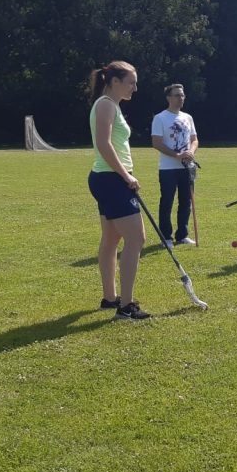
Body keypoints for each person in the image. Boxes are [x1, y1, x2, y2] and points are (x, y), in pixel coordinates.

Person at [87, 61, 151, 320]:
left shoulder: (111, 105)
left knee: (112, 240)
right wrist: (126, 176)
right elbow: (104, 145)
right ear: (114, 81)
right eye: (131, 82)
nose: (134, 88)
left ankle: (110, 298)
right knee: (137, 239)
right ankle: (126, 306)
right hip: (112, 179)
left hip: (109, 178)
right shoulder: (105, 105)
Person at [151, 83, 198, 248]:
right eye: (177, 95)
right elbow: (156, 143)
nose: (181, 98)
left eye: (182, 95)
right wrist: (177, 155)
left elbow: (194, 139)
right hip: (168, 168)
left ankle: (182, 235)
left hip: (187, 167)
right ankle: (166, 237)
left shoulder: (188, 117)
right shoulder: (160, 118)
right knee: (167, 202)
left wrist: (191, 152)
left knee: (186, 202)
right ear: (168, 98)